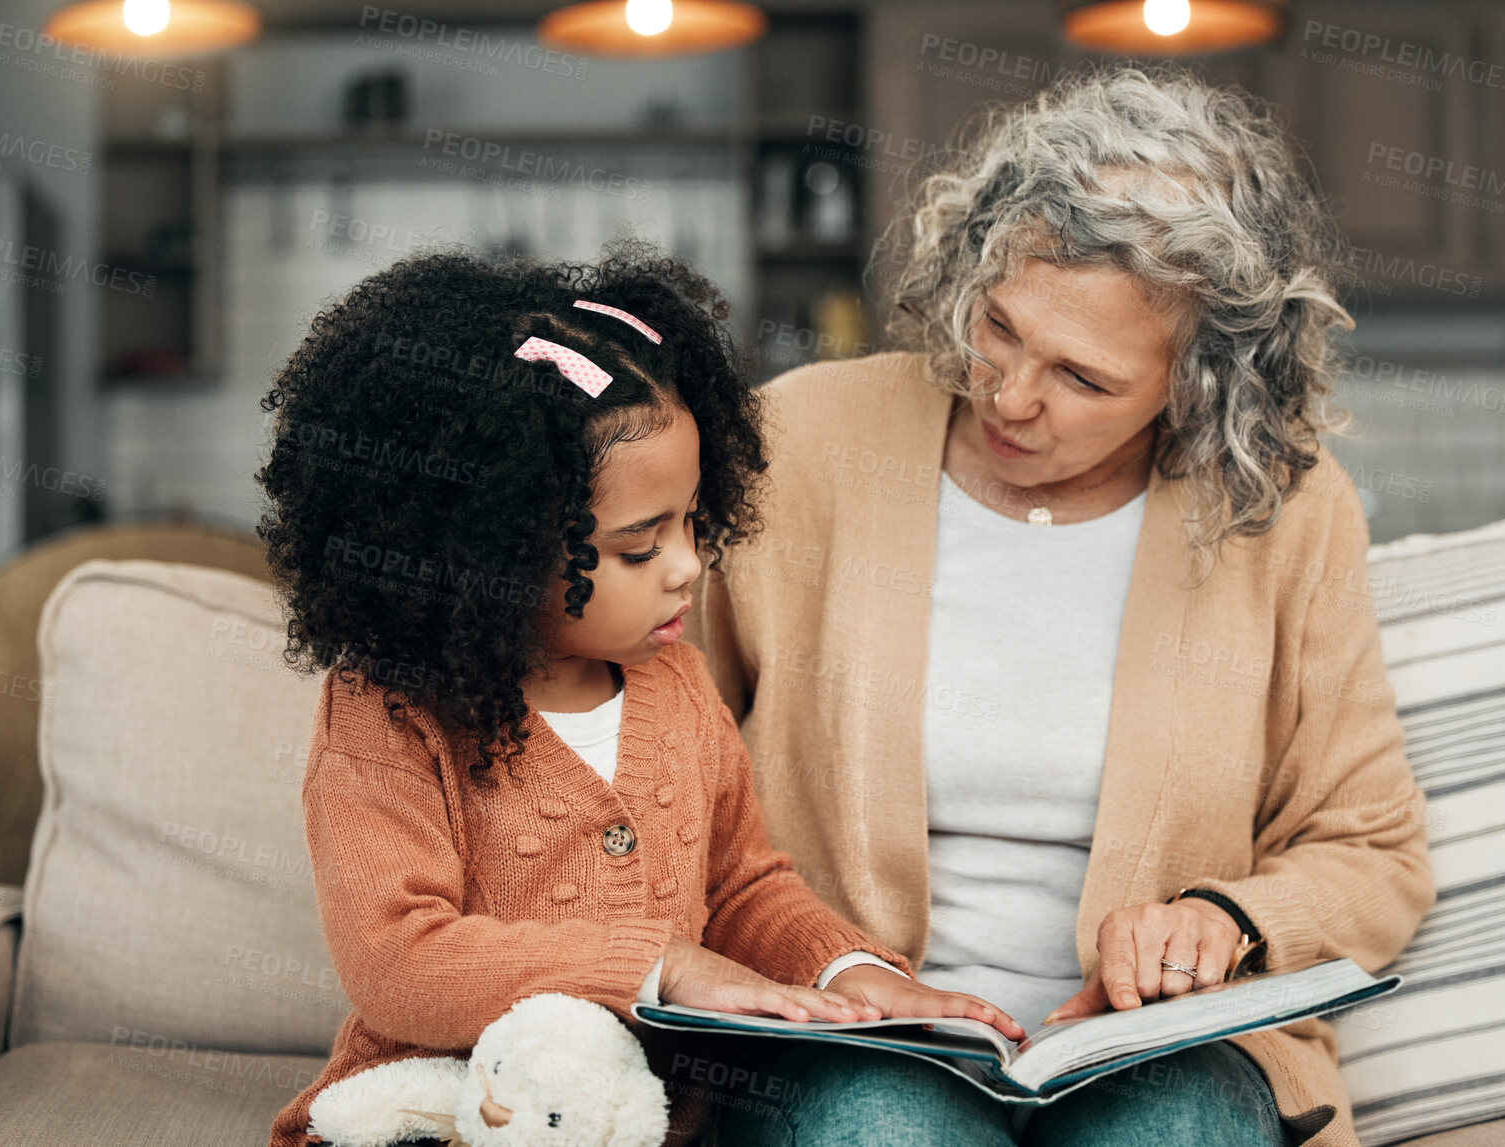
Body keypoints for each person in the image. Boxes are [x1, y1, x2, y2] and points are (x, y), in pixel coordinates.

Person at [686, 66, 1437, 1146]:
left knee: (1176, 1127)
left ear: (1199, 385)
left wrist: (1219, 922)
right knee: (877, 1127)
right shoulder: (799, 442)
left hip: (1157, 1056)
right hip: (850, 1045)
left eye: (1083, 379)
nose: (1009, 394)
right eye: (997, 326)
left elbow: (1372, 850)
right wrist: (817, 962)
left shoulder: (1283, 510)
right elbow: (655, 766)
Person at [255, 241, 1021, 1147]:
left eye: (692, 520)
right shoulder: (386, 715)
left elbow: (741, 884)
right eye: (637, 545)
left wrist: (846, 966)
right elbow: (397, 958)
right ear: (486, 552)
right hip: (440, 1113)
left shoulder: (679, 686)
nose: (690, 565)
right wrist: (658, 965)